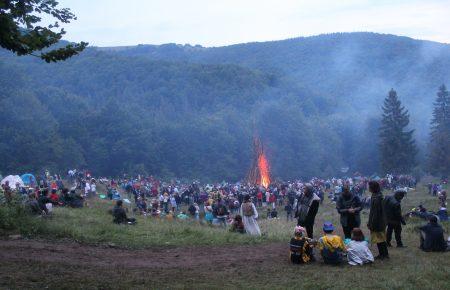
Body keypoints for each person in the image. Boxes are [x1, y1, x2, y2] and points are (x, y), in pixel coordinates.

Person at [367, 180, 389, 259]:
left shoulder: (377, 198)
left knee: (380, 239)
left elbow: (375, 213)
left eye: (369, 186)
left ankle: (384, 255)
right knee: (379, 238)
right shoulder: (376, 195)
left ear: (372, 188)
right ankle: (382, 254)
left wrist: (371, 224)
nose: (368, 188)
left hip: (378, 222)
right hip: (379, 221)